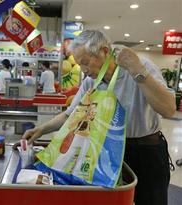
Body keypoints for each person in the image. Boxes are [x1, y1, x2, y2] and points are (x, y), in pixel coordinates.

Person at [23, 30, 176, 205]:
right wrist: (41, 130)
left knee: (150, 200)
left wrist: (138, 71)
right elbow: (70, 115)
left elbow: (169, 109)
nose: (84, 71)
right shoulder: (91, 82)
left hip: (145, 151)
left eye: (85, 63)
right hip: (108, 153)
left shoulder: (141, 67)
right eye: (80, 65)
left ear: (104, 51)